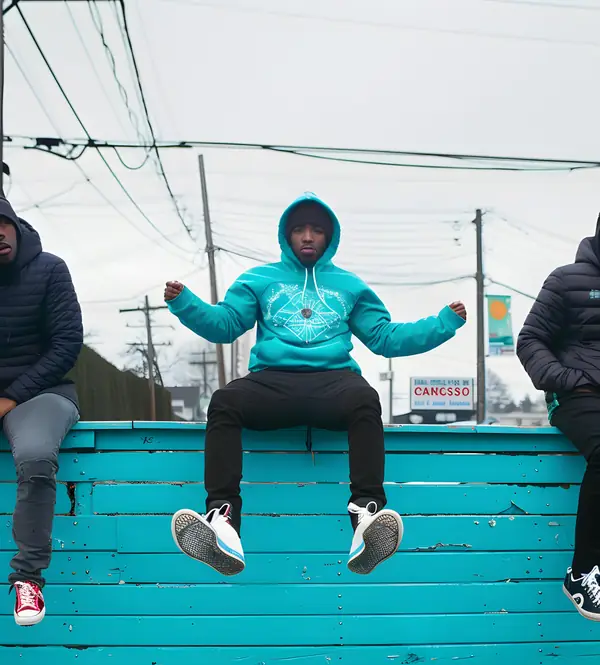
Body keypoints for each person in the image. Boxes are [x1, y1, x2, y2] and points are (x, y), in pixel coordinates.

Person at [165, 194, 466, 576]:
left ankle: (366, 516)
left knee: (364, 399)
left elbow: (385, 338)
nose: (308, 237)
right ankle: (223, 521)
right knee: (225, 400)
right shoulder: (258, 280)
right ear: (286, 236)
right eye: (299, 230)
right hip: (272, 382)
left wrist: (443, 322)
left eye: (317, 230)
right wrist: (185, 302)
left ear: (329, 237)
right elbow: (225, 324)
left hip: (333, 383)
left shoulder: (349, 286)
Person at [0, 197, 83, 626]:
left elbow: (67, 344)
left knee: (34, 455)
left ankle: (28, 580)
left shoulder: (50, 270)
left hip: (40, 395)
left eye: (2, 223)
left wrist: (11, 397)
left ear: (14, 225)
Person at [518, 214, 600, 621]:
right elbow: (529, 339)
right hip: (578, 396)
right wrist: (567, 379)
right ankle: (582, 571)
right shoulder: (568, 280)